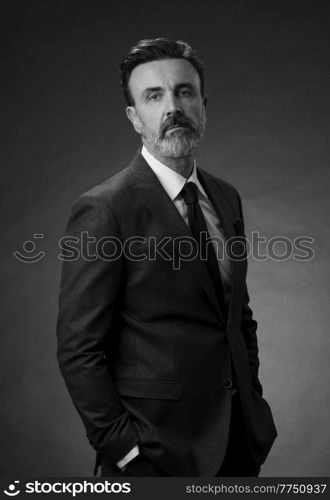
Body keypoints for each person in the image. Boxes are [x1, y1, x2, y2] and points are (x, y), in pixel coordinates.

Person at [56, 38, 277, 477]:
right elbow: (79, 348)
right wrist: (124, 450)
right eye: (153, 96)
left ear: (203, 106)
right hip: (154, 455)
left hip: (238, 445)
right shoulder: (105, 208)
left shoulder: (226, 197)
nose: (172, 106)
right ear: (135, 118)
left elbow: (237, 315)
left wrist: (251, 395)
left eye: (183, 91)